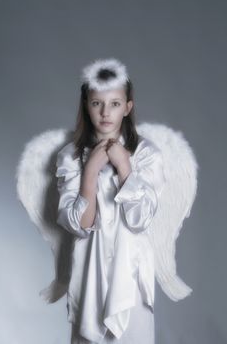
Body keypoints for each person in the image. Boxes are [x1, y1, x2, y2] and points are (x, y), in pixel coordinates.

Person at [55, 58, 166, 343]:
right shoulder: (70, 156)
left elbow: (140, 220)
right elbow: (79, 225)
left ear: (128, 107)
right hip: (89, 278)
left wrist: (125, 168)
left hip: (130, 282)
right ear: (86, 105)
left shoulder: (146, 154)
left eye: (115, 103)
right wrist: (90, 171)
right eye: (97, 103)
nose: (105, 112)